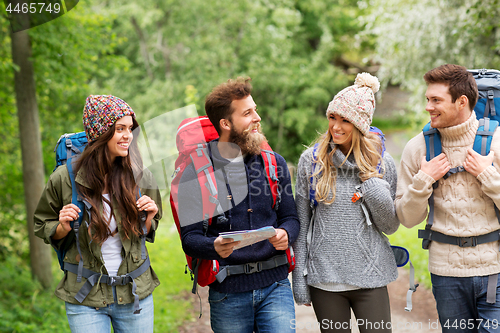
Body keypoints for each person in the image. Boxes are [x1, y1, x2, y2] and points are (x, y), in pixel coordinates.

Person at [177, 77, 300, 333]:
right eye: (248, 113)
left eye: (254, 109)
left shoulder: (274, 163)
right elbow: (190, 239)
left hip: (275, 287)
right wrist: (214, 246)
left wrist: (286, 234)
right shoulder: (194, 173)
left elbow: (291, 218)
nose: (257, 117)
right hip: (227, 294)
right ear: (226, 123)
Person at [34, 95, 162, 333]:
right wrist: (62, 226)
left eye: (130, 129)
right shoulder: (64, 179)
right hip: (85, 297)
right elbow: (42, 224)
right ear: (100, 133)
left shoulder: (140, 176)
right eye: (120, 128)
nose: (128, 136)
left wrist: (150, 217)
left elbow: (144, 233)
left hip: (135, 293)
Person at [395, 64, 500, 332]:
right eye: (427, 99)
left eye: (436, 100)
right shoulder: (417, 148)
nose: (428, 107)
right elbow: (407, 219)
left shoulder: (496, 142)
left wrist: (487, 175)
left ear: (462, 101)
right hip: (446, 275)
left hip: (494, 271)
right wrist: (424, 180)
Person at [292, 73, 400, 333]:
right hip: (325, 282)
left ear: (361, 124)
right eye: (332, 117)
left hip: (371, 278)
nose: (336, 127)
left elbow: (389, 225)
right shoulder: (311, 161)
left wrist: (371, 181)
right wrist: (299, 278)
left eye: (346, 120)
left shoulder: (383, 164)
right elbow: (302, 222)